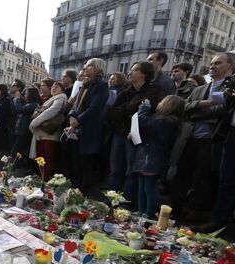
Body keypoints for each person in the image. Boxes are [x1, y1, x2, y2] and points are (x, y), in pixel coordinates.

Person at [171, 53, 234, 223]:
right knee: (181, 174)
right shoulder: (199, 90)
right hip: (189, 138)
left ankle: (195, 212)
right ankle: (174, 208)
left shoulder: (229, 90)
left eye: (218, 63)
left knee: (203, 178)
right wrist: (201, 104)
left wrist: (196, 112)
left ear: (230, 66)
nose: (212, 66)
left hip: (211, 141)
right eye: (212, 63)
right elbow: (184, 107)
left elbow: (223, 112)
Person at [107, 61, 165, 207]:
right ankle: (110, 202)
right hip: (120, 134)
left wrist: (125, 109)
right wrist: (128, 109)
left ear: (144, 73)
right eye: (131, 70)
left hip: (136, 137)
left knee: (130, 172)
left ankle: (125, 205)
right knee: (115, 171)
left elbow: (143, 110)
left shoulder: (154, 89)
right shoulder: (126, 91)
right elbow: (112, 113)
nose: (130, 72)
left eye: (135, 70)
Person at [194, 57, 235, 233]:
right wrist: (229, 95)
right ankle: (219, 221)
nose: (212, 66)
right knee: (227, 179)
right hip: (232, 133)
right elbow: (227, 103)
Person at [132, 95, 184, 218]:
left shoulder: (169, 121)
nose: (159, 103)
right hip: (145, 155)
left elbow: (145, 122)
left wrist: (143, 109)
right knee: (141, 187)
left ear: (169, 105)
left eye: (162, 101)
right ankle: (141, 212)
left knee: (149, 188)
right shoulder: (159, 118)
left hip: (154, 157)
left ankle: (149, 214)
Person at [67, 58, 109, 199]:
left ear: (97, 68)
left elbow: (95, 108)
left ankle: (84, 195)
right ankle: (75, 192)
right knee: (76, 163)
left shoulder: (101, 85)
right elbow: (74, 104)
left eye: (89, 66)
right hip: (78, 129)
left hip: (89, 131)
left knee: (86, 165)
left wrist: (77, 121)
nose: (85, 68)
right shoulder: (84, 84)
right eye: (85, 66)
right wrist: (72, 116)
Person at [29, 82, 67, 179]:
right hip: (43, 132)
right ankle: (41, 176)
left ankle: (45, 178)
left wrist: (35, 121)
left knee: (47, 157)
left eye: (57, 87)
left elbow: (52, 111)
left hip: (50, 133)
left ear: (62, 90)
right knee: (41, 157)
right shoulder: (52, 98)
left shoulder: (61, 97)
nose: (53, 88)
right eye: (53, 86)